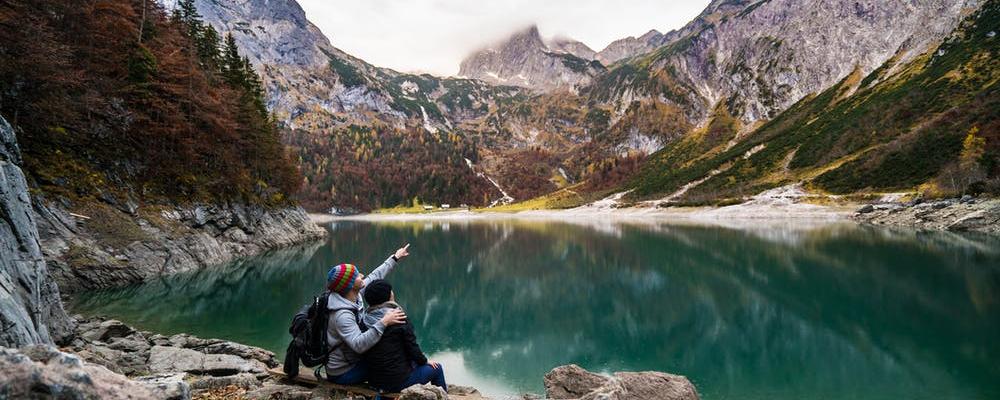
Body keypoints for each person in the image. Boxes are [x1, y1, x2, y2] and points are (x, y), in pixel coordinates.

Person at [324, 244, 411, 385]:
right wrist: (384, 322)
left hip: (354, 360)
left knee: (393, 359)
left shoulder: (353, 294)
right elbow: (359, 345)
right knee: (392, 365)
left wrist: (395, 257)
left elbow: (375, 276)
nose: (362, 275)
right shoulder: (342, 315)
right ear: (350, 285)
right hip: (343, 371)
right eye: (357, 276)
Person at [362, 280, 447, 393]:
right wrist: (424, 361)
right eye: (390, 291)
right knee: (437, 368)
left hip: (374, 381)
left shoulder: (365, 318)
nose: (392, 292)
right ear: (388, 296)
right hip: (397, 382)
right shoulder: (398, 318)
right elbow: (412, 347)